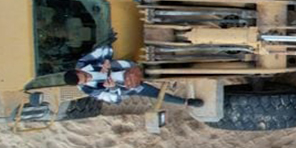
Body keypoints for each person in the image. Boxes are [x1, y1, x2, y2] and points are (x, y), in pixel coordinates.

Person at [65, 45, 202, 107]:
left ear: (79, 70)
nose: (89, 79)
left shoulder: (84, 62)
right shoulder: (87, 89)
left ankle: (193, 66)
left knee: (162, 68)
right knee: (158, 94)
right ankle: (187, 102)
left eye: (86, 76)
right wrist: (112, 88)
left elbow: (105, 49)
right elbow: (113, 100)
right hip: (130, 86)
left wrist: (106, 61)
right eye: (85, 81)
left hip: (131, 68)